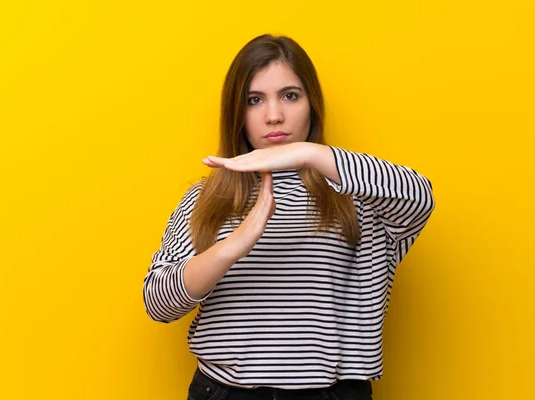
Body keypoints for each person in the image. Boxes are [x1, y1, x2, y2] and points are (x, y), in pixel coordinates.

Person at [143, 34, 435, 400]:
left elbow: (420, 196)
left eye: (290, 96)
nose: (274, 115)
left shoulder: (360, 196)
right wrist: (232, 247)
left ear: (312, 103)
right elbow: (158, 303)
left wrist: (309, 154)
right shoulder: (207, 199)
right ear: (238, 113)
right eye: (254, 100)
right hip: (225, 392)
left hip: (332, 393)